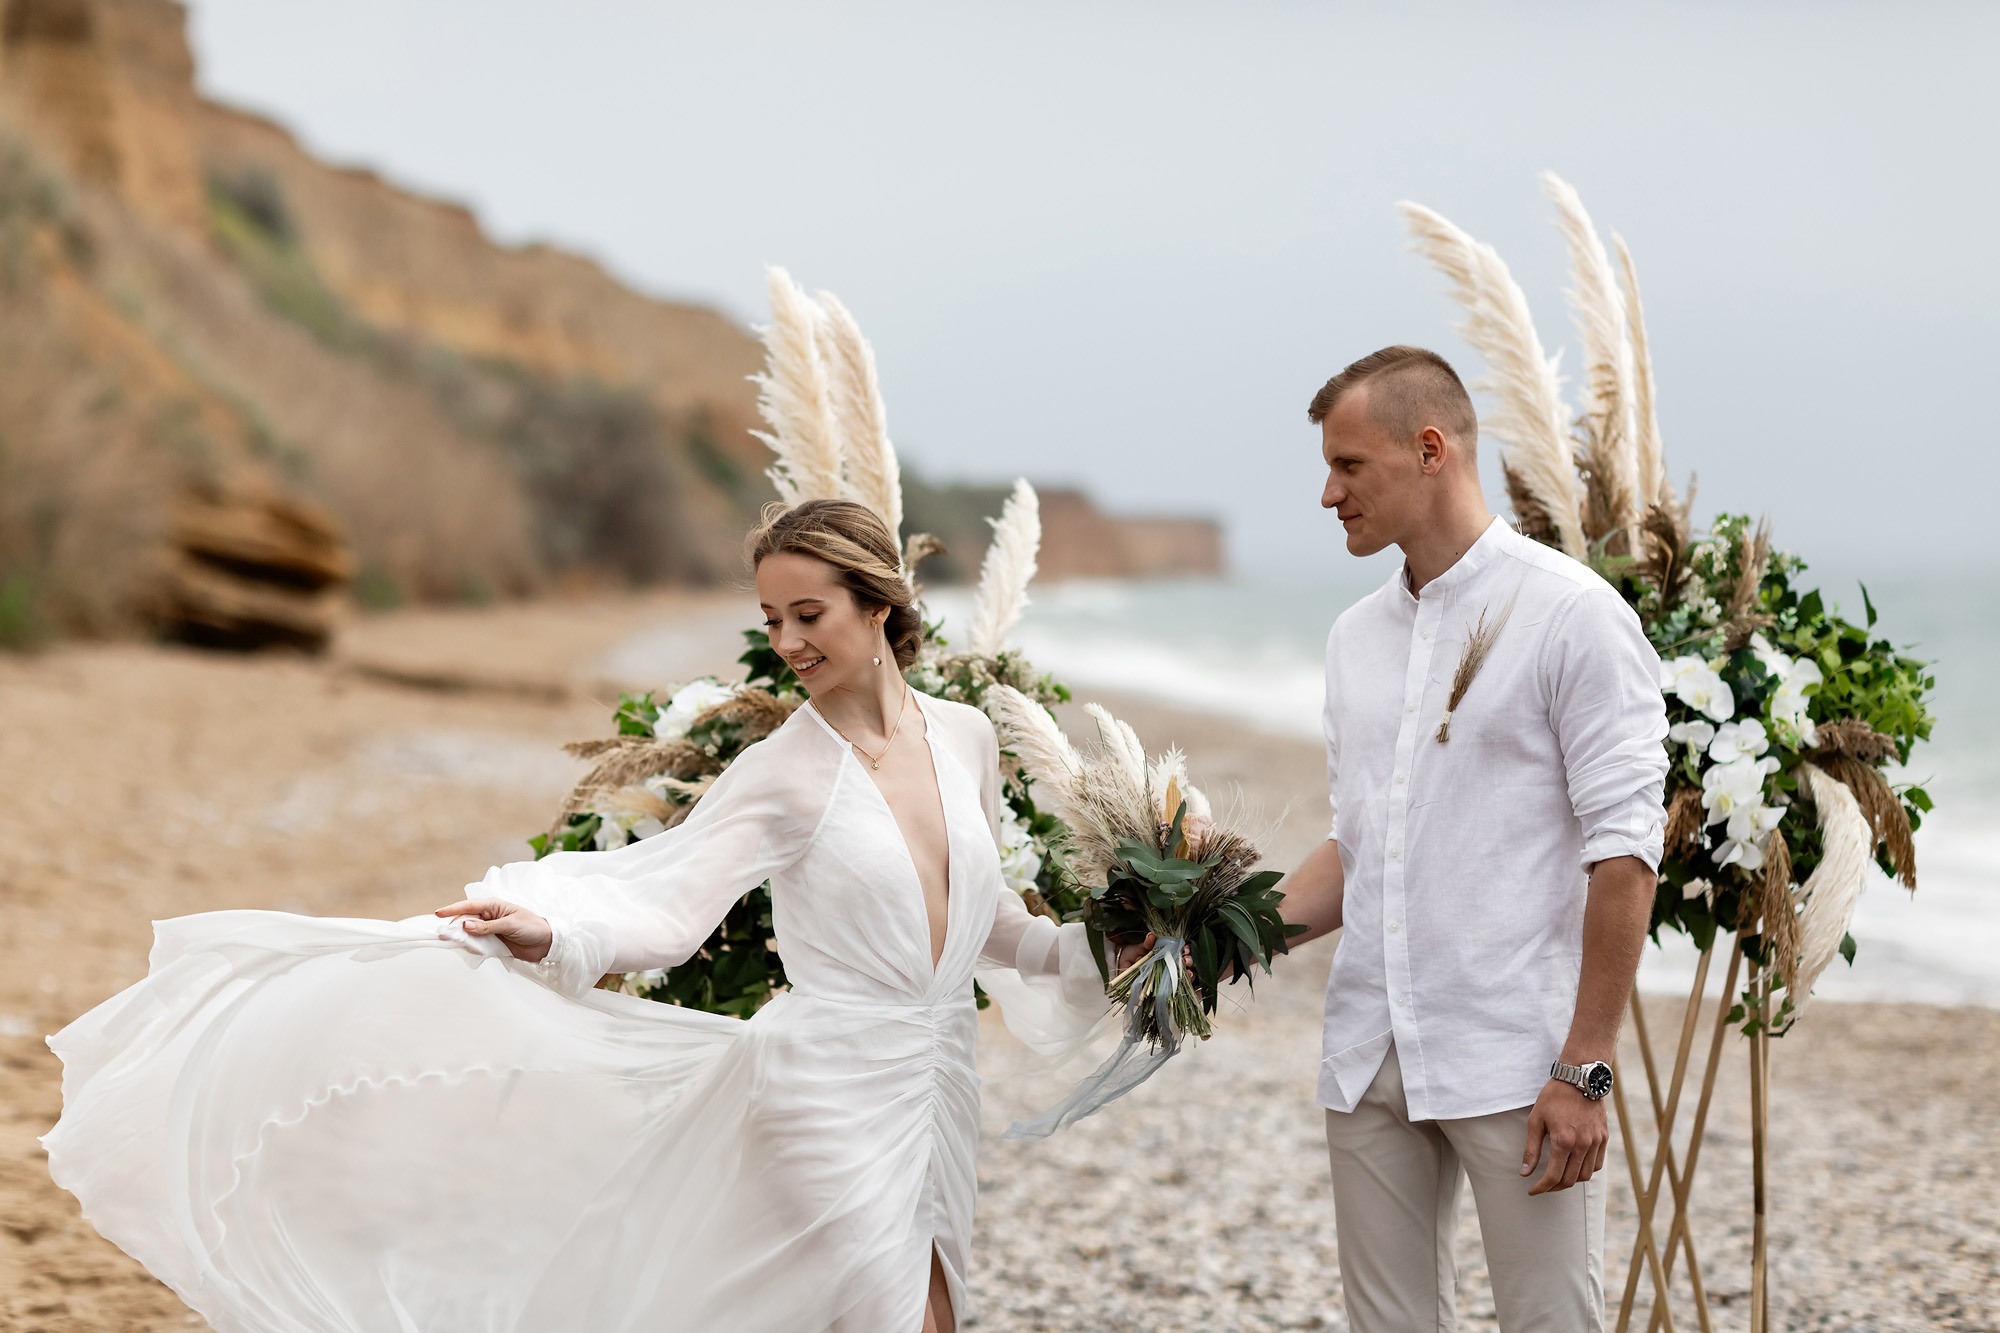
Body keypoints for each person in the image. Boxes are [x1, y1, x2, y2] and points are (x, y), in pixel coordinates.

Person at [43, 498, 1121, 1333]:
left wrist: (1101, 947)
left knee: (934, 1307)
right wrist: (550, 932)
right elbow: (668, 908)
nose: (789, 641)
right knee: (874, 1312)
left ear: (878, 605)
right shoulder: (784, 772)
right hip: (830, 1084)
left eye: (810, 614)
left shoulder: (965, 736)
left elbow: (988, 925)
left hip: (940, 1080)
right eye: (771, 620)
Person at [1276, 346, 1668, 1331]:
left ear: (1430, 449)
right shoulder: (1350, 639)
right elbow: (1360, 847)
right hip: (1368, 1049)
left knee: (1550, 1322)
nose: (1327, 494)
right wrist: (1212, 937)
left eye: (1347, 466)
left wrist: (1584, 1066)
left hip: (1517, 1056)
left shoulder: (1571, 615)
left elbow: (1624, 853)